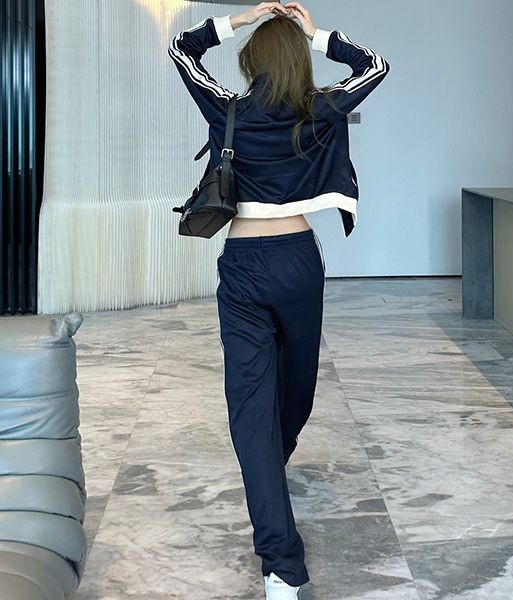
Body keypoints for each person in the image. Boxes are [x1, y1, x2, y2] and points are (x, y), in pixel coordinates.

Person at [168, 3, 390, 598]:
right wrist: (317, 36)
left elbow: (181, 50)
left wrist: (238, 21)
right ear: (297, 61)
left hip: (244, 264)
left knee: (263, 408)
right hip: (297, 262)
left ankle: (268, 485)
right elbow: (376, 65)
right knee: (285, 396)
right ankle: (279, 559)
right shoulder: (319, 109)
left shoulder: (228, 108)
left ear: (252, 63)